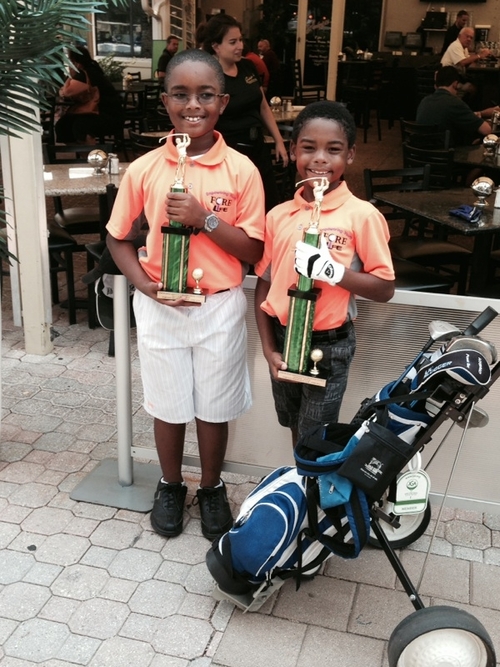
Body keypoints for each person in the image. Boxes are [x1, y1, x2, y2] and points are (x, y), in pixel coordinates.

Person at [106, 49, 266, 540]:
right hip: (160, 306)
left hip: (217, 304)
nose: (191, 105)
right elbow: (117, 237)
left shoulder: (241, 170)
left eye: (203, 95)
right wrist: (143, 284)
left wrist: (206, 218)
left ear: (221, 101)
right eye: (180, 94)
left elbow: (254, 248)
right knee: (167, 402)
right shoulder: (146, 168)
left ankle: (212, 487)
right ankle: (171, 484)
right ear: (165, 100)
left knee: (213, 405)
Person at [254, 101, 395, 446]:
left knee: (316, 435)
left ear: (349, 155)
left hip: (329, 346)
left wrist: (332, 271)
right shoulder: (278, 215)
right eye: (308, 148)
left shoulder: (361, 215)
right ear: (292, 151)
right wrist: (268, 348)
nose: (319, 159)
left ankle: (315, 494)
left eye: (333, 150)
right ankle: (304, 488)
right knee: (293, 425)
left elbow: (384, 287)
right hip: (283, 337)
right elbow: (265, 285)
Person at [200, 15, 288, 212]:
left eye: (240, 39)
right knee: (239, 208)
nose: (240, 45)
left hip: (258, 146)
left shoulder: (248, 66)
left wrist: (279, 140)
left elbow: (263, 105)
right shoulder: (209, 76)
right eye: (233, 42)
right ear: (216, 46)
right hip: (230, 151)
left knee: (269, 204)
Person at [55, 46, 124, 144]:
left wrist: (71, 75)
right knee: (64, 124)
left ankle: (91, 155)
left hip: (106, 116)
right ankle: (84, 154)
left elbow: (66, 92)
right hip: (110, 114)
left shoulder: (85, 74)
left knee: (80, 126)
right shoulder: (93, 69)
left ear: (75, 61)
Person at [416, 66, 497, 145]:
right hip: (446, 154)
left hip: (420, 154)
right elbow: (486, 130)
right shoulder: (455, 103)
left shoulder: (424, 101)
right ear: (455, 84)